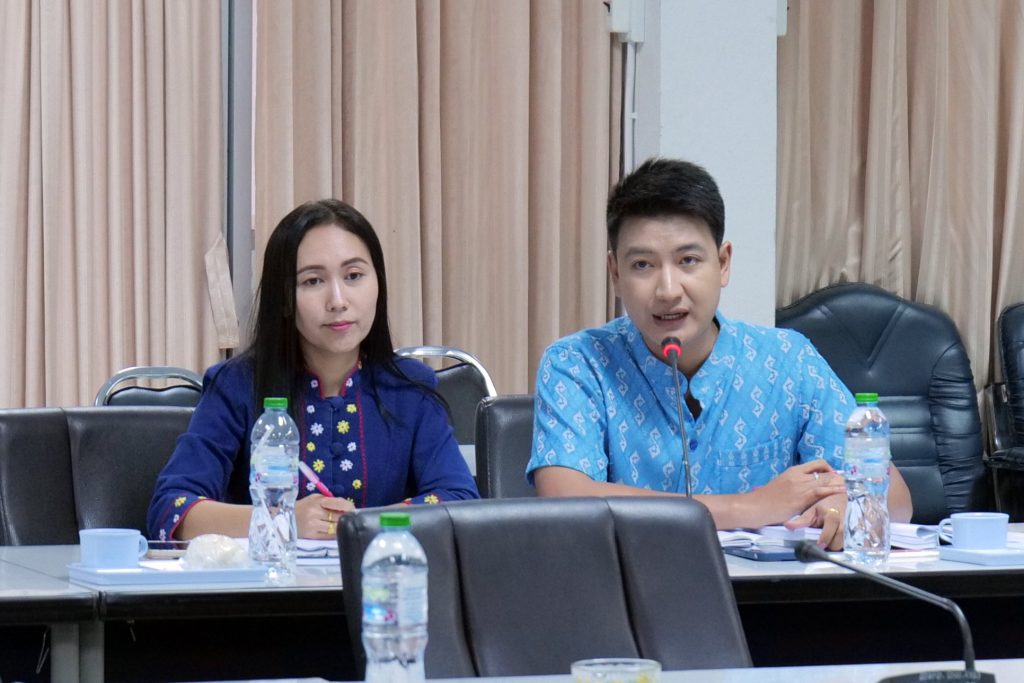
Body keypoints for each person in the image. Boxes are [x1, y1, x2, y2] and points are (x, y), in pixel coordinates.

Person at [527, 158, 912, 549]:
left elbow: (897, 498)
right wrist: (749, 507)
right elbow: (564, 498)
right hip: (629, 586)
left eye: (688, 261)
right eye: (642, 265)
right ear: (615, 274)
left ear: (723, 263)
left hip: (770, 587)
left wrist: (846, 505)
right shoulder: (578, 363)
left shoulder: (788, 360)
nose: (668, 290)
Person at [148, 199, 479, 542]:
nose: (338, 300)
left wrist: (363, 525)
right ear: (284, 299)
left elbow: (460, 501)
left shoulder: (410, 389)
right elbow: (173, 509)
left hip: (379, 573)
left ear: (378, 283)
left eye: (353, 276)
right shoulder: (237, 386)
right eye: (313, 281)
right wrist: (280, 518)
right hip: (266, 577)